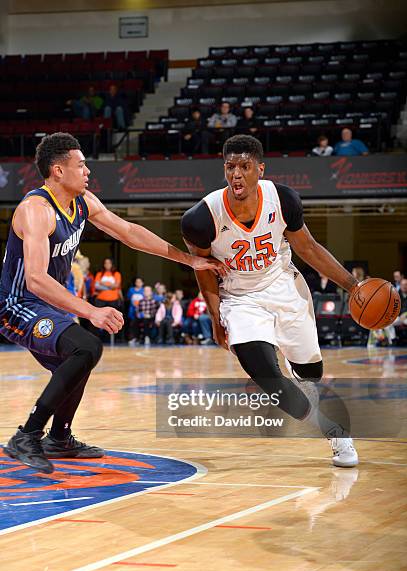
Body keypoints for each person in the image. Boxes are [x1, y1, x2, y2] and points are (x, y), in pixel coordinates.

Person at [0, 132, 224, 474]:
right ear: (58, 171)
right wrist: (91, 310)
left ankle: (58, 438)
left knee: (81, 357)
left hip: (48, 305)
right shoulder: (36, 210)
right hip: (17, 304)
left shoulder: (83, 201)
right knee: (86, 347)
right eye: (81, 164)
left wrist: (188, 260)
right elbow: (36, 279)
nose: (88, 170)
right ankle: (27, 435)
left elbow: (129, 232)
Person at [182, 134, 360, 468]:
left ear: (259, 169)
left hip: (282, 285)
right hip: (239, 296)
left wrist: (353, 286)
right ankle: (334, 432)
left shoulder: (284, 199)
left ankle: (298, 374)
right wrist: (215, 315)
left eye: (245, 167)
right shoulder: (201, 218)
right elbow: (203, 270)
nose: (237, 174)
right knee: (266, 374)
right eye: (231, 167)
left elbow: (308, 249)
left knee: (311, 374)